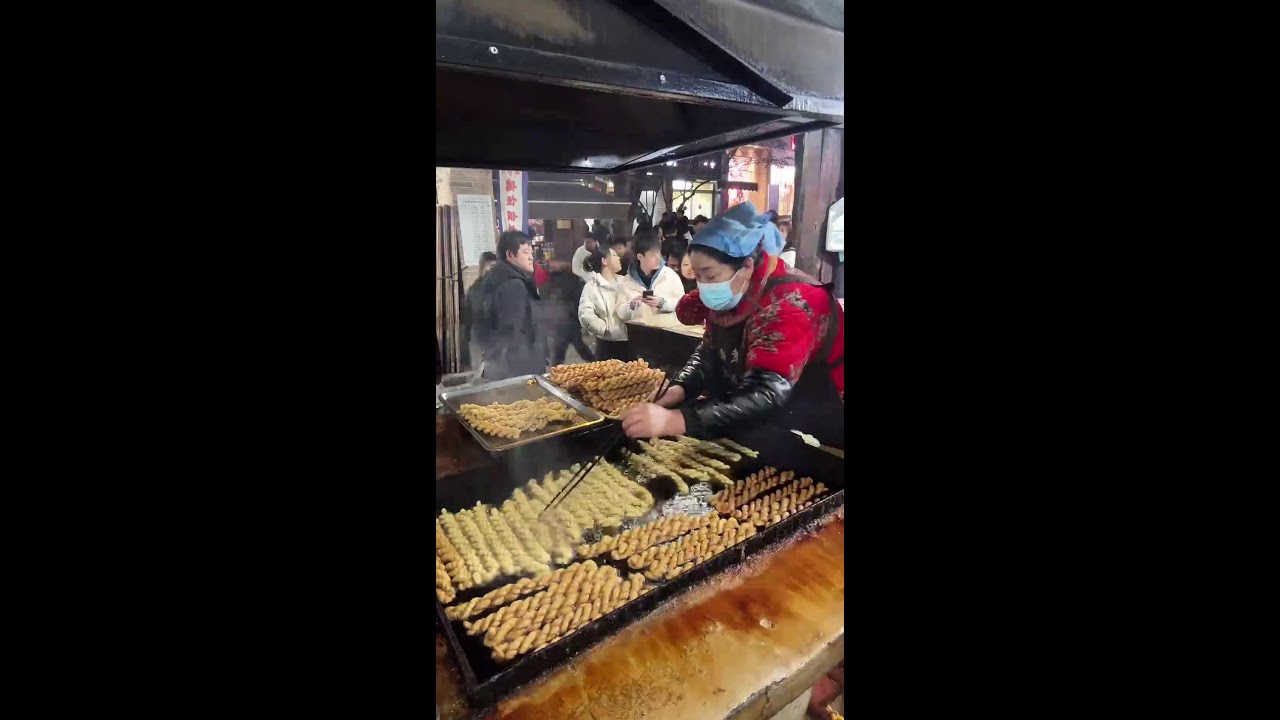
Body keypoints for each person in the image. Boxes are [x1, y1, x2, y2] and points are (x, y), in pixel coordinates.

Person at [619, 202, 844, 450]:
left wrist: (676, 420)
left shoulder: (793, 302)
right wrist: (679, 389)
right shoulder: (734, 291)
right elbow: (710, 351)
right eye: (697, 276)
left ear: (746, 267)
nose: (703, 285)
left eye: (710, 275)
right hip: (769, 416)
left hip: (820, 416)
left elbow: (766, 392)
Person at [480, 231, 547, 380]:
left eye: (531, 252)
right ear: (510, 254)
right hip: (521, 368)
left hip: (508, 364)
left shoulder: (499, 279)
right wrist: (529, 371)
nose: (531, 257)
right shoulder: (514, 285)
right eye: (525, 252)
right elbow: (513, 333)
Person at [578, 245, 633, 361]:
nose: (619, 258)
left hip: (630, 341)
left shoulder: (625, 281)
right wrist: (604, 329)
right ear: (604, 261)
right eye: (614, 255)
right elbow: (585, 314)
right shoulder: (592, 286)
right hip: (606, 344)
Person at [617, 230, 685, 323]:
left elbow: (682, 305)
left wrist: (661, 303)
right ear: (640, 256)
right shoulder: (627, 281)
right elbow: (620, 312)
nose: (658, 258)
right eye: (653, 255)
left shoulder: (670, 276)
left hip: (665, 329)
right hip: (639, 329)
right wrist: (631, 306)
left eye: (658, 253)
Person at [545, 259, 597, 365]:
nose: (552, 264)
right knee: (572, 344)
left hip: (567, 318)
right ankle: (594, 361)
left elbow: (572, 297)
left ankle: (594, 361)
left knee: (567, 346)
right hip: (565, 317)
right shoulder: (556, 277)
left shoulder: (567, 278)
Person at [461, 251, 498, 370]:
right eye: (491, 266)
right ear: (483, 268)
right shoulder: (476, 289)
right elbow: (469, 315)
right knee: (480, 371)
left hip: (489, 338)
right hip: (480, 337)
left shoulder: (496, 286)